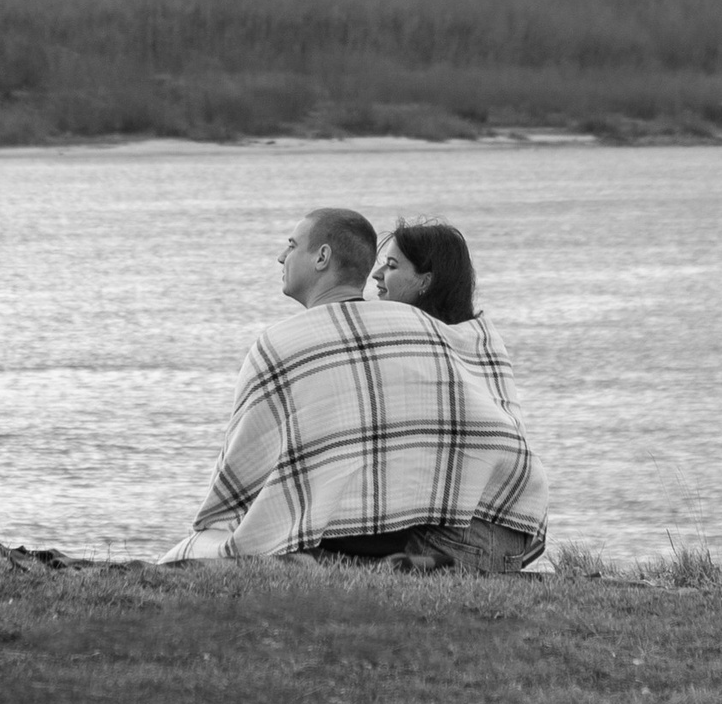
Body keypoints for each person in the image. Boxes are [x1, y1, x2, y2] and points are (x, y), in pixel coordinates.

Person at [169, 206, 546, 570]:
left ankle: (403, 566)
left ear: (322, 257)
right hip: (513, 518)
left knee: (305, 543)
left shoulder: (301, 343)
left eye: (291, 245)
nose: (281, 257)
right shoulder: (450, 339)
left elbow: (244, 470)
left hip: (463, 535)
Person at [372, 220, 523, 420]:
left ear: (425, 281)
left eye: (392, 265)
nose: (376, 274)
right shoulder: (479, 345)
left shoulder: (478, 344)